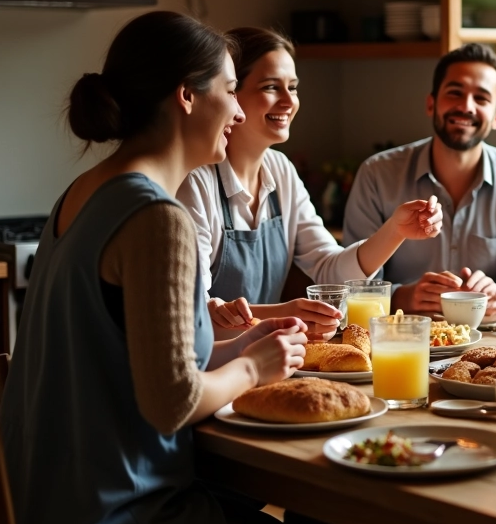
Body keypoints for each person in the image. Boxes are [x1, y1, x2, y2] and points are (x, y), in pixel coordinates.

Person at [0, 12, 380, 524]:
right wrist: (253, 366)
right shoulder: (157, 217)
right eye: (230, 91)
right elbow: (172, 402)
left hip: (39, 519)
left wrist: (242, 343)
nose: (241, 112)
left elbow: (130, 351)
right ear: (186, 98)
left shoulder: (86, 190)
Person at [343, 42, 496, 524]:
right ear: (432, 103)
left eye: (482, 96)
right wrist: (403, 294)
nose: (467, 104)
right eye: (455, 92)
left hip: (485, 361)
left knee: (488, 468)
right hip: (396, 355)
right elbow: (349, 286)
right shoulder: (379, 175)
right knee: (395, 467)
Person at [177, 27, 442, 338]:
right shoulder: (196, 182)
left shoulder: (280, 170)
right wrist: (282, 315)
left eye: (293, 87)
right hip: (217, 366)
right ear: (233, 93)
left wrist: (395, 230)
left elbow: (329, 268)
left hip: (270, 356)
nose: (289, 101)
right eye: (270, 87)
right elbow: (195, 313)